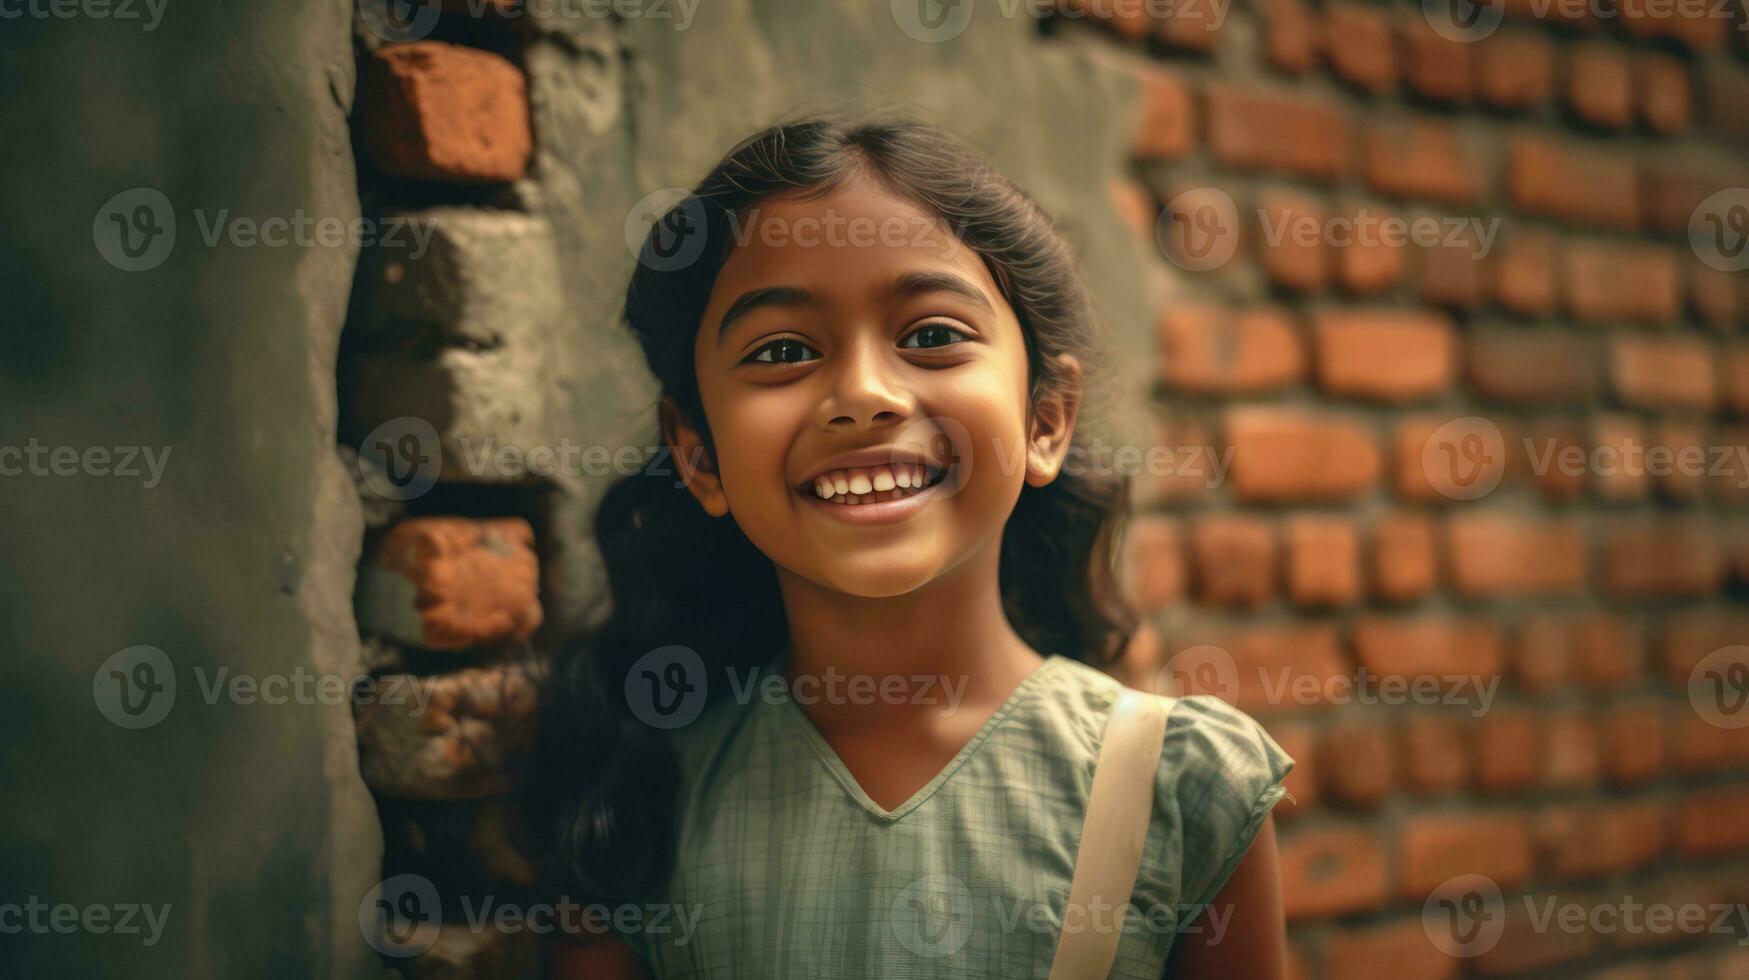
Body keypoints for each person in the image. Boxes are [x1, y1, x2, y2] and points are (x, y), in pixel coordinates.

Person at [523, 116, 1294, 978]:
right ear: (697, 455)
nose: (861, 394)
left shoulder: (1180, 787)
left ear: (1045, 421)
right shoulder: (634, 793)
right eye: (782, 351)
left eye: (931, 335)